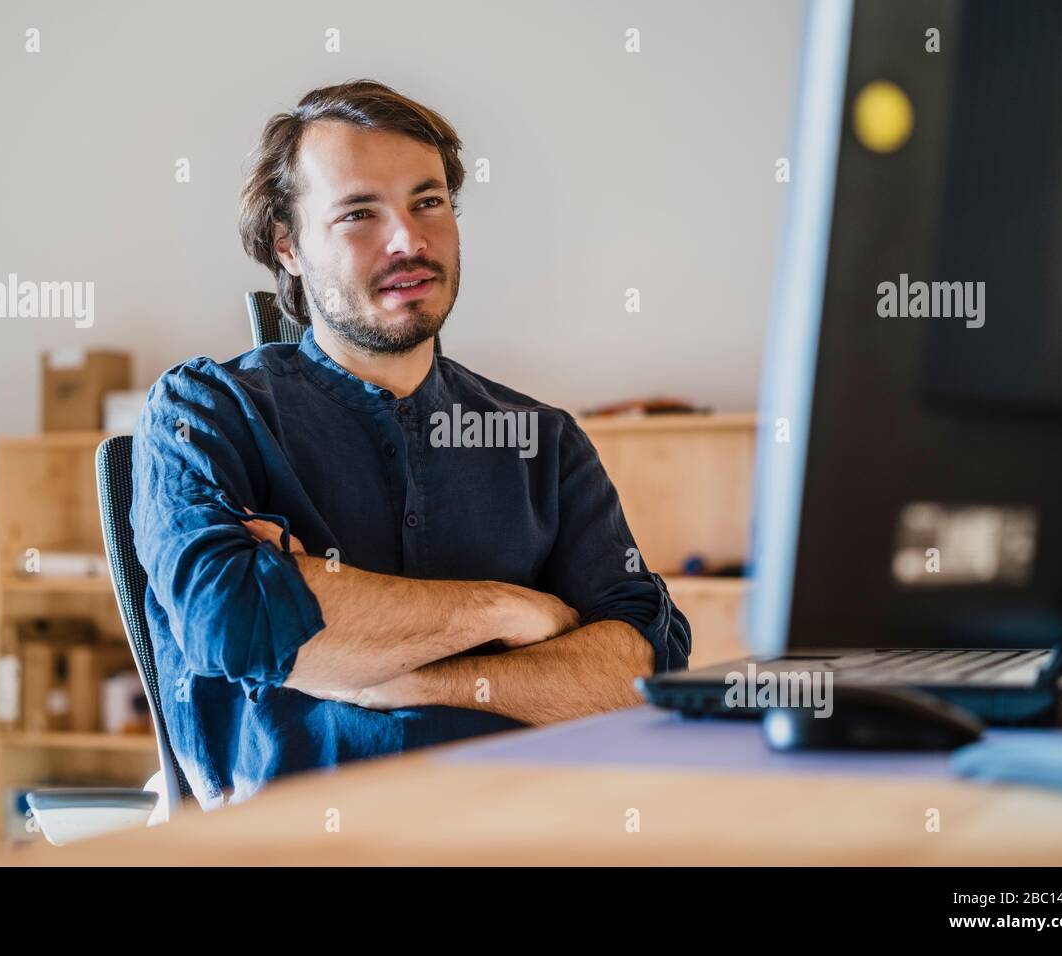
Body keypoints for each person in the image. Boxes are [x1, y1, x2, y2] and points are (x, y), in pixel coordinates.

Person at [131, 79, 691, 808]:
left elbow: (639, 674)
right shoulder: (204, 411)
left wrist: (394, 669)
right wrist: (512, 612)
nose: (409, 240)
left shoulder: (542, 441)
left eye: (428, 202)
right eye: (359, 213)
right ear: (287, 246)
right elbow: (237, 622)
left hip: (532, 833)